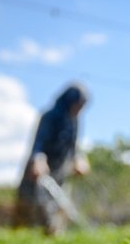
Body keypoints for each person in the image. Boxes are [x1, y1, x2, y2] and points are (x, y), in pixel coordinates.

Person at [14, 83, 90, 232]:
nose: (79, 110)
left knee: (56, 209)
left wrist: (80, 160)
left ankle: (52, 239)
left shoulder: (74, 122)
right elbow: (39, 143)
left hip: (59, 172)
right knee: (31, 208)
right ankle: (23, 242)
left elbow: (74, 146)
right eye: (78, 105)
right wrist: (39, 160)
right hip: (39, 172)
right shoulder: (50, 116)